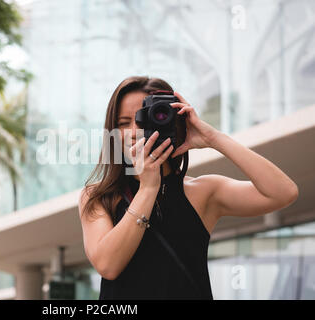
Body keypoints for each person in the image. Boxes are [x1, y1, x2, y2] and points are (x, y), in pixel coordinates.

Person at [78, 76, 299, 300]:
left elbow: (283, 192)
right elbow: (108, 265)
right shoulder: (98, 196)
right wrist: (147, 189)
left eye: (145, 119)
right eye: (123, 123)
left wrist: (213, 137)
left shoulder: (202, 191)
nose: (135, 130)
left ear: (171, 121)